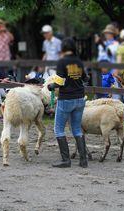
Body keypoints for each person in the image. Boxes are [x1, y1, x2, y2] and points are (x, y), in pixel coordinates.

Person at [47, 38, 89, 168]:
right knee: (76, 129)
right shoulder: (79, 61)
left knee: (58, 129)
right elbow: (85, 78)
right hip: (80, 98)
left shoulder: (62, 62)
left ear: (63, 49)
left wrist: (50, 86)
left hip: (66, 99)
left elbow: (59, 82)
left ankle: (66, 160)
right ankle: (83, 160)